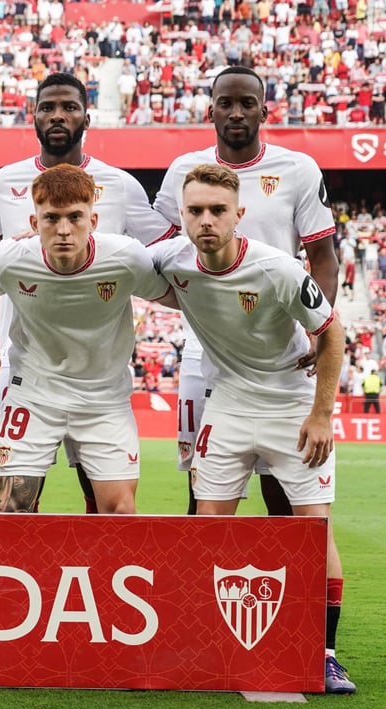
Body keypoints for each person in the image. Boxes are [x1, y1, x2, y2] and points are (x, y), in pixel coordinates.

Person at [150, 163, 355, 695]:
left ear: (240, 214)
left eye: (218, 210)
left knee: (315, 529)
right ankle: (198, 645)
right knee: (207, 526)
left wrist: (322, 414)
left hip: (292, 407)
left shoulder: (279, 269)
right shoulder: (170, 262)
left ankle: (325, 654)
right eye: (194, 211)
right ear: (181, 215)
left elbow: (332, 335)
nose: (206, 220)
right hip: (229, 406)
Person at [0, 72, 173, 514]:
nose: (58, 116)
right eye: (48, 107)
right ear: (34, 116)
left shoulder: (120, 185)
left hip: (101, 377)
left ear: (86, 116)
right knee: (13, 508)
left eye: (69, 107)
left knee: (107, 506)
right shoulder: (5, 182)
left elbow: (166, 255)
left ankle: (95, 582)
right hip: (27, 370)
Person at [154, 65, 339, 517]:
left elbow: (323, 257)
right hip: (206, 346)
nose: (236, 112)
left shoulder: (297, 168)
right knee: (205, 479)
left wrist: (317, 327)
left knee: (283, 480)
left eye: (246, 103)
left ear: (264, 111)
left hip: (278, 343)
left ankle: (288, 585)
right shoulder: (184, 170)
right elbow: (161, 250)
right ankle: (206, 583)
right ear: (210, 110)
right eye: (226, 103)